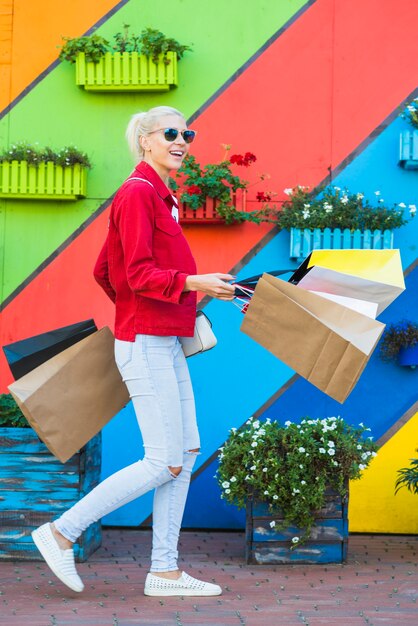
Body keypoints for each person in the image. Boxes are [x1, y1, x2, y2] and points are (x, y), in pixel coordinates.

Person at [31, 106, 235, 597]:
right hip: (146, 343)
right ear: (145, 141)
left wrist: (156, 307)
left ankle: (164, 572)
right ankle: (61, 532)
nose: (181, 140)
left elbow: (107, 270)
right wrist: (190, 284)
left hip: (160, 337)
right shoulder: (137, 194)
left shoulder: (161, 198)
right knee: (164, 459)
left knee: (184, 454)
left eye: (187, 132)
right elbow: (138, 273)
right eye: (170, 133)